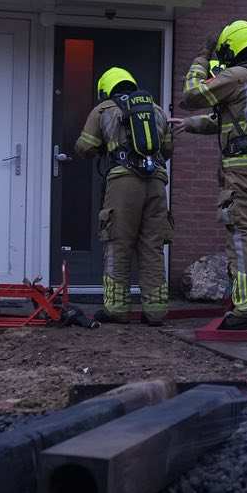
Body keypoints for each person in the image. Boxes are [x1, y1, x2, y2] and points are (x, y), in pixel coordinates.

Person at [178, 19, 247, 329]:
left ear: (232, 48)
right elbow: (238, 121)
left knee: (244, 236)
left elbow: (192, 94)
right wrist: (192, 125)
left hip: (244, 172)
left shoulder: (237, 76)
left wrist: (202, 59)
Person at [70, 66, 172, 324]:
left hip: (123, 183)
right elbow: (168, 149)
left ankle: (116, 309)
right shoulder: (157, 111)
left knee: (118, 243)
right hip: (157, 182)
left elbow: (85, 147)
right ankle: (156, 311)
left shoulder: (104, 109)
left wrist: (107, 145)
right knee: (153, 247)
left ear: (106, 89)